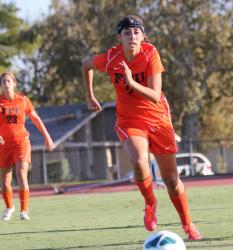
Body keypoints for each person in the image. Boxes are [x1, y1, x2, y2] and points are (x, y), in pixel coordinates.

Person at [82, 15, 202, 240]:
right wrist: (89, 96)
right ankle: (150, 204)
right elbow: (86, 64)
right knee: (138, 160)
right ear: (119, 37)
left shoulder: (150, 54)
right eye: (127, 33)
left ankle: (187, 224)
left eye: (136, 32)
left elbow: (155, 96)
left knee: (172, 181)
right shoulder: (111, 57)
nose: (132, 37)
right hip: (130, 121)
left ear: (143, 36)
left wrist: (131, 81)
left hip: (158, 120)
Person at [0, 71, 55, 220]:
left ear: (14, 83)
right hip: (3, 145)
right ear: (1, 85)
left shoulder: (23, 100)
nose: (6, 84)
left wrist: (47, 136)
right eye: (3, 81)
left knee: (21, 172)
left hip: (21, 142)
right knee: (5, 181)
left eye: (8, 81)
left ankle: (24, 211)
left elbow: (35, 118)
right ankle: (9, 208)